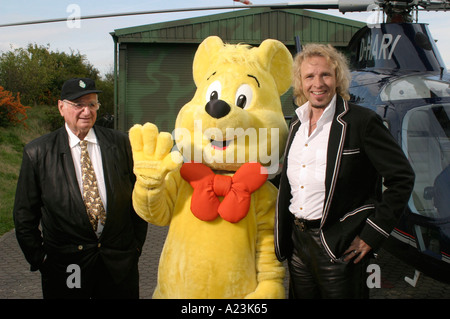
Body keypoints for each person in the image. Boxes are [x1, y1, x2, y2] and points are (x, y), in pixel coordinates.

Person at [275, 44, 415, 298]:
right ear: (300, 82)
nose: (318, 83)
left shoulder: (361, 122)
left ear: (337, 78)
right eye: (309, 76)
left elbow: (402, 178)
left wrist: (372, 234)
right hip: (298, 243)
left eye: (325, 75)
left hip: (337, 244)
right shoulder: (295, 124)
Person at [13, 78, 148, 299]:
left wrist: (134, 249)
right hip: (67, 267)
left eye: (92, 104)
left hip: (118, 264)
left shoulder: (121, 144)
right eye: (78, 104)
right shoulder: (38, 153)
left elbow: (138, 199)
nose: (87, 111)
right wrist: (42, 260)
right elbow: (24, 216)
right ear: (61, 107)